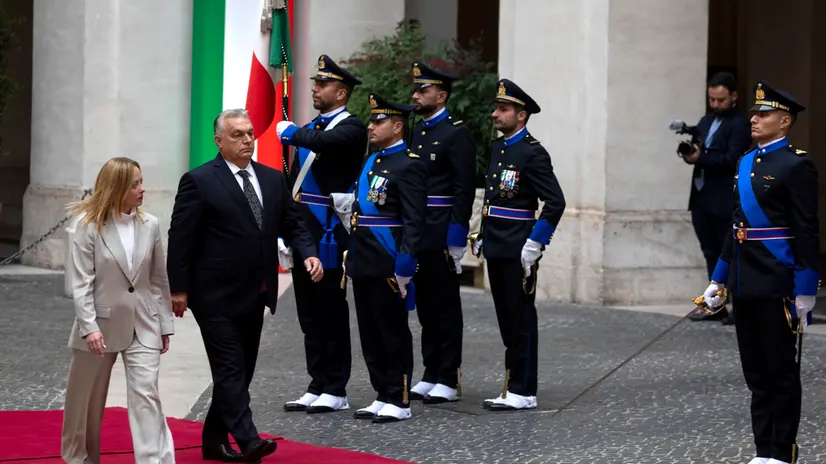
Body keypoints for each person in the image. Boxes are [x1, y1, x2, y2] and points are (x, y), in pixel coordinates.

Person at [167, 109, 321, 462]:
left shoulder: (271, 179)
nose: (247, 140)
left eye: (250, 133)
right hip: (213, 295)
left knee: (241, 370)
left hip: (257, 292)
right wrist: (178, 288)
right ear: (219, 141)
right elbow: (181, 238)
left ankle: (213, 442)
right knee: (230, 369)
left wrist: (308, 252)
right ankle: (249, 439)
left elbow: (293, 223)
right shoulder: (199, 180)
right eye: (237, 134)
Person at [701, 82, 819, 464]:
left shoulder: (798, 164)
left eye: (763, 114)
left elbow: (806, 230)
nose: (754, 119)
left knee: (780, 371)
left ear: (784, 122)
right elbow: (735, 227)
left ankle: (781, 452)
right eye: (754, 113)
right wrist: (718, 279)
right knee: (755, 373)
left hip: (777, 279)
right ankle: (762, 450)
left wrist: (805, 291)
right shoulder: (745, 161)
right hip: (744, 280)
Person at [62, 157, 177, 464]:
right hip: (98, 327)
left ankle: (155, 461)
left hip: (144, 324)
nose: (143, 189)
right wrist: (89, 327)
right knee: (87, 400)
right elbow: (81, 284)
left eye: (141, 182)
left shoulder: (150, 224)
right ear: (117, 187)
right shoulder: (86, 227)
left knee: (146, 396)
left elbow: (157, 278)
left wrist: (164, 323)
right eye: (135, 184)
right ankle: (83, 459)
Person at [274, 55, 367, 414]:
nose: (314, 89)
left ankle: (336, 387)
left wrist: (293, 133)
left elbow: (324, 144)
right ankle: (317, 382)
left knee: (330, 310)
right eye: (314, 83)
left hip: (330, 233)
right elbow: (294, 181)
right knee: (308, 312)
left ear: (341, 92)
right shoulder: (316, 126)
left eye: (322, 84)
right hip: (305, 230)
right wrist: (286, 230)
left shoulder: (352, 127)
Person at [471, 79, 566, 411]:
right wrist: (482, 233)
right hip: (497, 242)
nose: (495, 114)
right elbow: (494, 199)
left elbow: (555, 202)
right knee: (506, 318)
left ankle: (524, 390)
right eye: (496, 108)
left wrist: (535, 244)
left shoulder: (532, 152)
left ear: (521, 115)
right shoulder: (500, 148)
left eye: (503, 109)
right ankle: (513, 386)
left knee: (520, 317)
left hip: (518, 245)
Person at [345, 93, 427, 423]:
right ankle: (382, 392)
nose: (371, 126)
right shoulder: (373, 161)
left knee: (392, 331)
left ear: (397, 126)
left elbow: (413, 220)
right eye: (371, 120)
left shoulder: (409, 164)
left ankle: (399, 395)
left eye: (378, 121)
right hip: (364, 258)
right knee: (369, 331)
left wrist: (405, 265)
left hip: (389, 260)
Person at [406, 61, 476, 404]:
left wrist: (457, 237)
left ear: (442, 95)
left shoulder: (455, 132)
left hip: (440, 227)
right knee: (426, 306)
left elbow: (464, 189)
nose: (416, 94)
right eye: (416, 89)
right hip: (418, 229)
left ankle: (449, 375)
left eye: (424, 89)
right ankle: (431, 371)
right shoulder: (417, 130)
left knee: (446, 305)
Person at [684, 72, 752, 325]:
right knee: (710, 251)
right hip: (701, 197)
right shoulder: (706, 121)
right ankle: (716, 304)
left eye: (721, 99)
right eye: (712, 99)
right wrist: (690, 154)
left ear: (733, 96)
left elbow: (733, 159)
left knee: (731, 255)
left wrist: (700, 158)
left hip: (724, 198)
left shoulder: (740, 125)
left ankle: (738, 306)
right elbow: (697, 149)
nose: (715, 104)